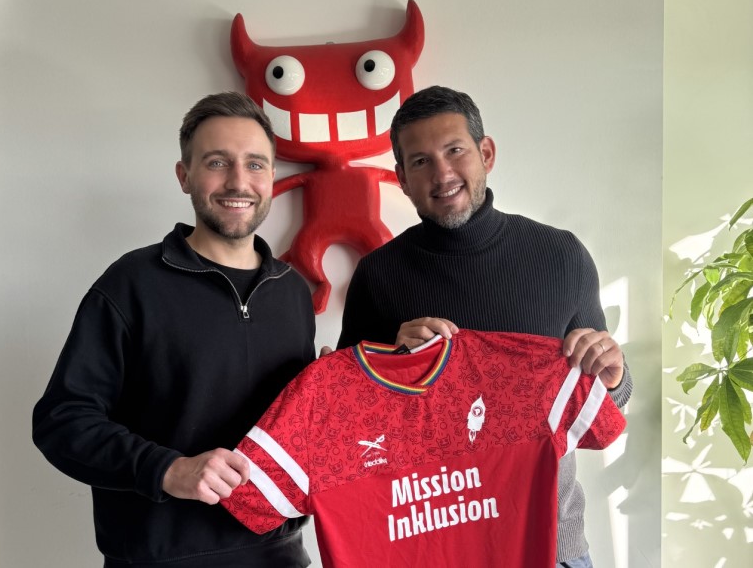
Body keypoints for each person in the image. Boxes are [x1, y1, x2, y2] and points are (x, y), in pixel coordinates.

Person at [337, 85, 633, 568]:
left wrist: (612, 375)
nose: (442, 173)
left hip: (551, 545)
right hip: (432, 549)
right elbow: (350, 424)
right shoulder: (378, 275)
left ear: (486, 153)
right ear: (402, 180)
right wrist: (390, 361)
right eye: (420, 161)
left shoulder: (560, 257)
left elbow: (605, 413)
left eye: (455, 150)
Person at [33, 91, 316, 568]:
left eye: (255, 164)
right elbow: (62, 422)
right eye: (217, 162)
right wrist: (168, 470)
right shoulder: (131, 284)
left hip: (280, 556)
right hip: (160, 559)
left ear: (272, 178)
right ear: (184, 176)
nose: (238, 181)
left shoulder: (291, 291)